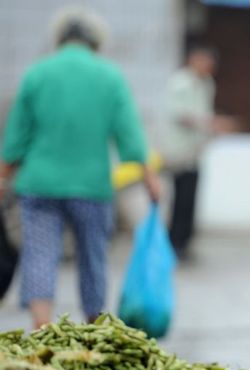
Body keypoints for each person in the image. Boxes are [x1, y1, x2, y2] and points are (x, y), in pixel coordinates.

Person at [0, 7, 160, 330]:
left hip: (39, 184)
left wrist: (3, 174)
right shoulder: (109, 76)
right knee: (93, 257)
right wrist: (149, 178)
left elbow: (16, 136)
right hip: (92, 186)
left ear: (59, 39)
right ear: (96, 43)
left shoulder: (37, 74)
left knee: (39, 255)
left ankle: (41, 326)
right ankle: (92, 324)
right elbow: (129, 134)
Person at [159, 44, 237, 261]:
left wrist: (211, 126)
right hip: (179, 150)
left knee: (191, 196)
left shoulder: (206, 83)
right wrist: (211, 123)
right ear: (193, 60)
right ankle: (174, 242)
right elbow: (180, 115)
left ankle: (185, 241)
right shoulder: (180, 82)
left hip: (196, 150)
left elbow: (203, 113)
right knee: (179, 198)